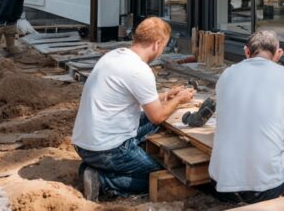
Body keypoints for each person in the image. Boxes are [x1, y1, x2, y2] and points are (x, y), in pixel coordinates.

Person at [72, 17, 195, 201]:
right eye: (163, 47)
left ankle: (90, 169)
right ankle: (102, 180)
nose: (161, 52)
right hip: (107, 150)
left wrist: (165, 95)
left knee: (149, 122)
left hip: (84, 144)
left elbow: (130, 96)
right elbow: (158, 117)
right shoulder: (139, 70)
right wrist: (179, 99)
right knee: (157, 175)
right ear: (157, 44)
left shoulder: (115, 55)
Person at [210, 30, 284, 203]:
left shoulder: (227, 74)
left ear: (246, 52)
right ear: (278, 54)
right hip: (266, 188)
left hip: (220, 185)